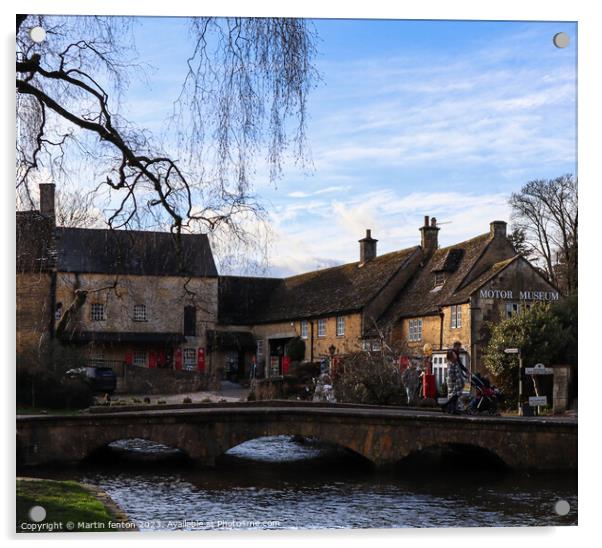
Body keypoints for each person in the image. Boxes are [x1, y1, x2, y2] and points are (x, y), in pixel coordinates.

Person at [445, 349, 464, 414]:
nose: (456, 355)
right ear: (451, 356)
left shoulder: (456, 363)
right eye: (454, 354)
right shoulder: (451, 364)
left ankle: (452, 409)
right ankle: (451, 409)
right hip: (454, 384)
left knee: (455, 398)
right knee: (453, 397)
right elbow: (450, 374)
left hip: (458, 384)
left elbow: (459, 372)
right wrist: (454, 381)